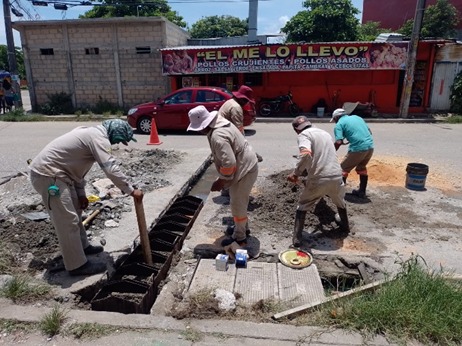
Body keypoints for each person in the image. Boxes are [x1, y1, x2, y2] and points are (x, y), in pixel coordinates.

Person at [29, 119, 144, 276]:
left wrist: (81, 194)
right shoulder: (98, 138)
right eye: (118, 140)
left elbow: (76, 169)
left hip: (61, 175)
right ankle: (76, 266)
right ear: (113, 134)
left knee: (75, 212)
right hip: (48, 176)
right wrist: (131, 190)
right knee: (67, 221)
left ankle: (82, 247)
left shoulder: (90, 134)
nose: (116, 144)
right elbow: (110, 168)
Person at [187, 105, 258, 247]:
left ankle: (240, 238)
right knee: (239, 202)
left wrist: (221, 181)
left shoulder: (217, 136)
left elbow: (229, 163)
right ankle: (243, 228)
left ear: (204, 125)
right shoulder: (220, 122)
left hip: (245, 169)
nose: (199, 131)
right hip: (245, 164)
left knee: (237, 205)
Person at [287, 116, 349, 248]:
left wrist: (296, 173)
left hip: (319, 177)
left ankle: (297, 239)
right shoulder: (324, 133)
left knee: (302, 206)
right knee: (340, 202)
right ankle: (345, 227)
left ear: (296, 130)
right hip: (336, 174)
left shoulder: (303, 135)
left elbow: (306, 154)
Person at [330, 108, 374, 198]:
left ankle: (338, 194)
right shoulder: (357, 117)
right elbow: (369, 132)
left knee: (342, 170)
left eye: (334, 119)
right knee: (361, 168)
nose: (334, 121)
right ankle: (362, 192)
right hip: (370, 147)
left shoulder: (339, 124)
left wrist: (331, 152)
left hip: (358, 149)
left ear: (337, 117)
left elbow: (338, 142)